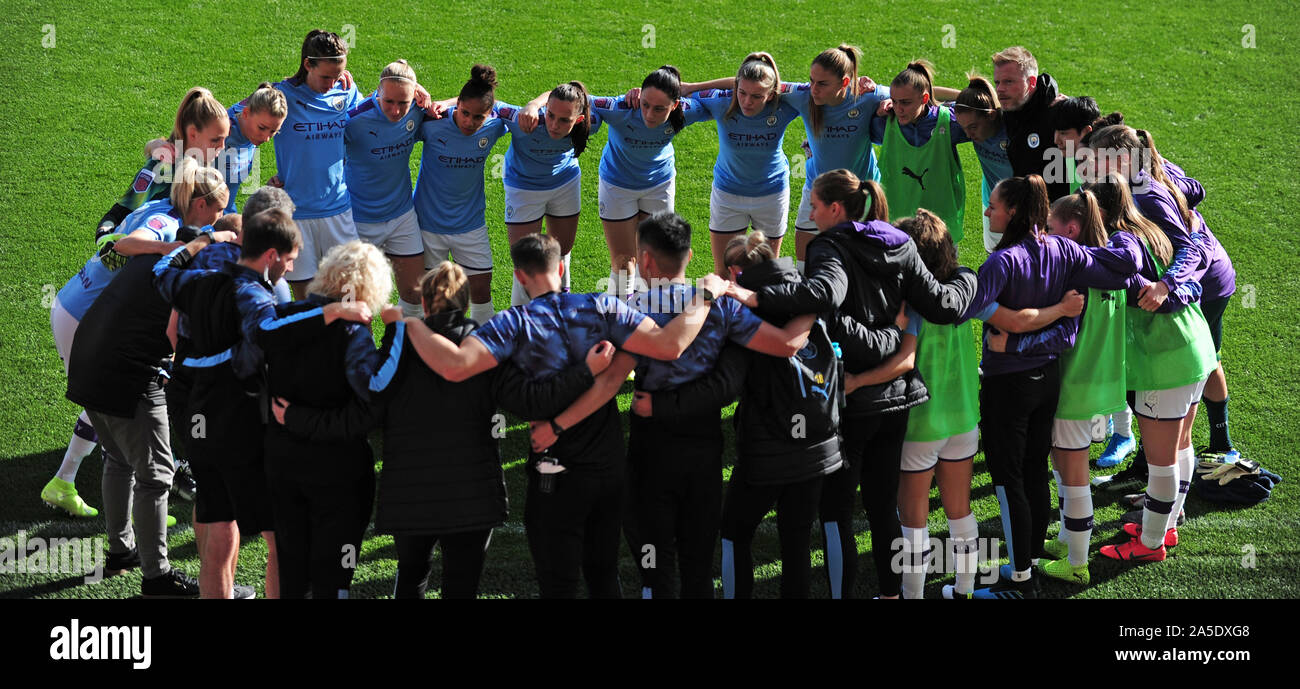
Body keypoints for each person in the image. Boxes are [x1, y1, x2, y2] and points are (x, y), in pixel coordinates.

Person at [399, 233, 726, 598]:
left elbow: (455, 366)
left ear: (520, 277)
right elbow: (671, 345)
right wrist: (705, 296)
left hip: (555, 477)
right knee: (603, 574)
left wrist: (410, 323)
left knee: (559, 584)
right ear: (560, 266)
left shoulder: (512, 324)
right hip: (607, 472)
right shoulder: (603, 307)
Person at [273, 261, 610, 598]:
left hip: (410, 499)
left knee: (410, 581)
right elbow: (533, 401)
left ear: (422, 304)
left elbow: (360, 418)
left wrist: (297, 418)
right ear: (466, 303)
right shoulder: (487, 350)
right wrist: (586, 372)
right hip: (473, 501)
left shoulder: (396, 352)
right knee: (461, 588)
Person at [723, 170, 978, 599]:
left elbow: (824, 299)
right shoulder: (900, 243)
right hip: (897, 401)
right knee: (882, 504)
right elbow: (943, 304)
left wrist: (751, 296)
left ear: (835, 209)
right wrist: (969, 276)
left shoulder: (831, 245)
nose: (810, 212)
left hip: (856, 403)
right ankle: (894, 594)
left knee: (835, 512)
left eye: (816, 206)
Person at [533, 212, 814, 599]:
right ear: (690, 254)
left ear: (645, 260)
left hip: (652, 452)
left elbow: (610, 383)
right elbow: (785, 344)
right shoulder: (723, 307)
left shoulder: (633, 309)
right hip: (704, 449)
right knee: (698, 568)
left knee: (655, 567)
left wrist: (558, 426)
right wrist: (818, 303)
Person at [153, 208, 371, 598]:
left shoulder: (198, 281)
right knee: (278, 540)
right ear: (270, 255)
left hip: (196, 420)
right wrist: (334, 309)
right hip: (238, 423)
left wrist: (202, 240)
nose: (289, 270)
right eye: (288, 261)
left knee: (219, 527)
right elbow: (269, 329)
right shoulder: (250, 293)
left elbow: (162, 272)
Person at [957, 175, 1140, 598]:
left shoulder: (1000, 263)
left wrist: (1017, 327)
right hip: (1047, 383)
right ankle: (1034, 558)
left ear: (1015, 212)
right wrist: (1126, 228)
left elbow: (970, 309)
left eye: (995, 206)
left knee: (1007, 479)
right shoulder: (1066, 250)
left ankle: (1019, 579)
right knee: (1035, 470)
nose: (988, 212)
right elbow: (1121, 268)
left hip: (1008, 385)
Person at [44, 159, 228, 519]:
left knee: (106, 407)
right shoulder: (166, 223)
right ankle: (98, 490)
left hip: (80, 306)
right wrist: (174, 251)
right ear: (201, 204)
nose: (217, 219)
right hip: (82, 313)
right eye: (217, 210)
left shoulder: (164, 208)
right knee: (109, 406)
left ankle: (71, 483)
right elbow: (129, 244)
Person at [68, 225, 238, 597]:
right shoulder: (192, 275)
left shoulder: (154, 254)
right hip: (126, 376)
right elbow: (174, 338)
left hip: (85, 364)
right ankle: (157, 576)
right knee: (157, 476)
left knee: (118, 457)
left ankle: (120, 551)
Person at [1080, 174, 1217, 563]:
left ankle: (1151, 543)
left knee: (1161, 460)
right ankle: (1167, 524)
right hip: (1196, 347)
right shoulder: (1151, 229)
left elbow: (1133, 286)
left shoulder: (1120, 248)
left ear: (1100, 210)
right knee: (1181, 445)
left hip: (1165, 362)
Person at [1033, 191, 1132, 585]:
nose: (1047, 235)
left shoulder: (1074, 273)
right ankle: (1066, 539)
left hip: (1076, 386)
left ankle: (1076, 563)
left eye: (1052, 229)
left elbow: (1065, 336)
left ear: (1071, 229)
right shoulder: (1113, 265)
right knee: (1066, 465)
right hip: (1105, 387)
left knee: (1073, 475)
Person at [590, 66, 710, 296]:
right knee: (624, 262)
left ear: (675, 105)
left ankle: (653, 316)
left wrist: (691, 88)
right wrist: (534, 106)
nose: (649, 115)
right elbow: (577, 95)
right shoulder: (620, 108)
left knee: (657, 260)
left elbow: (740, 86)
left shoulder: (687, 110)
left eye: (659, 109)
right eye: (645, 104)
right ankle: (620, 318)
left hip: (658, 185)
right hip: (617, 185)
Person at [413, 64, 511, 325]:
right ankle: (432, 352)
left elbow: (508, 108)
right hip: (427, 226)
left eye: (478, 117)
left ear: (488, 115)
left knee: (481, 292)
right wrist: (438, 103)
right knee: (432, 297)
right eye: (464, 112)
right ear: (457, 105)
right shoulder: (433, 124)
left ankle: (480, 353)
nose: (469, 122)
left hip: (470, 227)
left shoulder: (495, 126)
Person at [271, 30, 364, 298]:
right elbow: (243, 123)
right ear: (307, 64)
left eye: (337, 75)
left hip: (338, 210)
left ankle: (361, 342)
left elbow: (377, 113)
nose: (331, 83)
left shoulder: (345, 92)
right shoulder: (281, 95)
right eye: (326, 76)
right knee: (307, 299)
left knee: (353, 295)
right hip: (297, 214)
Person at [693, 53, 802, 273]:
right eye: (742, 93)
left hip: (772, 194)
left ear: (771, 95)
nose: (746, 102)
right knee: (724, 269)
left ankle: (759, 309)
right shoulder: (721, 101)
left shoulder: (784, 105)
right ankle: (726, 308)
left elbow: (823, 88)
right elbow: (679, 94)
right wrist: (688, 87)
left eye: (757, 96)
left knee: (767, 270)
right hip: (728, 194)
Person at [501, 82, 601, 305]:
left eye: (564, 120)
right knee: (525, 259)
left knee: (562, 249)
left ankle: (560, 305)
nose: (554, 125)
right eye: (551, 115)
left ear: (580, 120)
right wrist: (533, 104)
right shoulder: (524, 121)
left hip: (564, 184)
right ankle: (520, 319)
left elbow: (634, 101)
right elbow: (485, 102)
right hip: (523, 188)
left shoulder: (593, 121)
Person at [345, 59, 429, 318]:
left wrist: (426, 96)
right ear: (377, 92)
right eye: (388, 101)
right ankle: (363, 354)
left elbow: (459, 105)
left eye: (402, 103)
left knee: (415, 293)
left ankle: (405, 351)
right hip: (359, 221)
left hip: (401, 217)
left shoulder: (418, 110)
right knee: (356, 301)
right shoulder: (355, 120)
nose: (395, 110)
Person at [96, 87, 230, 240]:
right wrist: (104, 238)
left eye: (225, 138)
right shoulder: (163, 167)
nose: (223, 146)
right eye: (216, 140)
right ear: (193, 133)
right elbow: (119, 213)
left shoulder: (204, 164)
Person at [873, 61, 967, 243]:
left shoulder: (949, 123)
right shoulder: (884, 123)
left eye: (906, 103)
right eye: (894, 101)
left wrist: (950, 95)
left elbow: (981, 101)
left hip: (939, 228)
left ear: (924, 99)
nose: (898, 109)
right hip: (897, 227)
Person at [992, 46, 1071, 201]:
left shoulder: (1060, 113)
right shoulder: (1010, 109)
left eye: (1008, 82)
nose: (1000, 89)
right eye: (997, 82)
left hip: (1058, 214)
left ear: (1031, 82)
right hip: (1022, 210)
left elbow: (1104, 135)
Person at [952, 75, 1013, 252]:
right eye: (964, 128)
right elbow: (931, 94)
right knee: (995, 258)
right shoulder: (971, 120)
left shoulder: (1012, 128)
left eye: (973, 127)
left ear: (991, 115)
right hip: (992, 203)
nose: (969, 135)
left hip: (1021, 206)